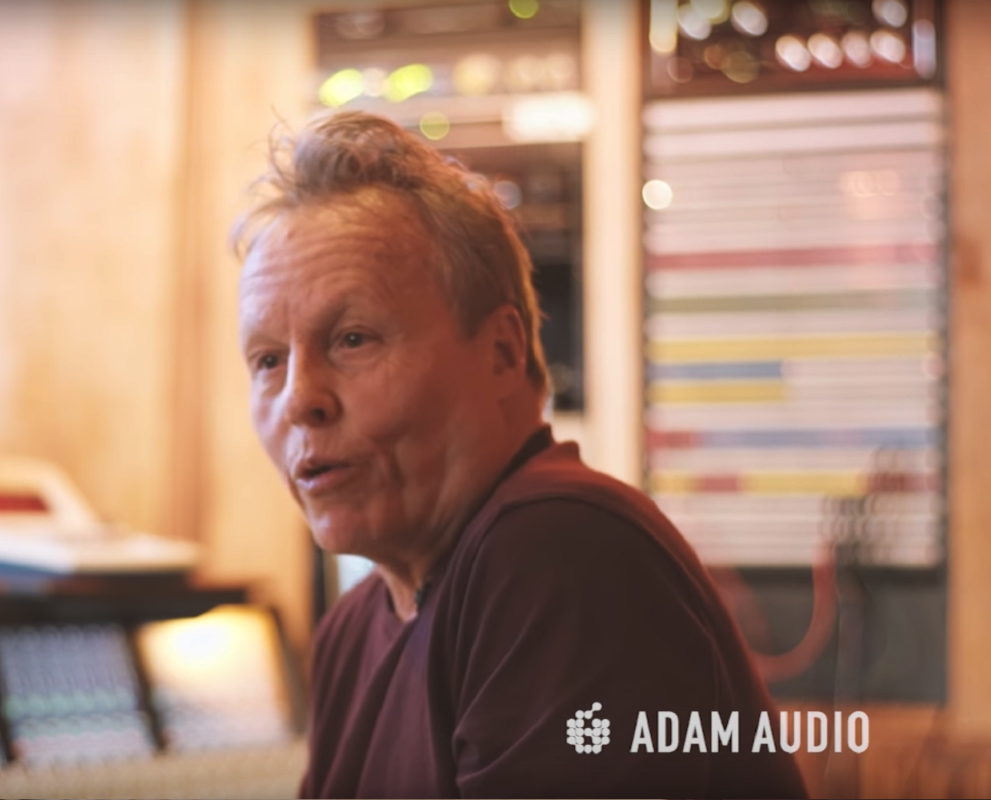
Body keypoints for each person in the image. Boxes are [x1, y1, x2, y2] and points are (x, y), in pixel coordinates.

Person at [234, 111, 808, 799]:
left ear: (502, 351)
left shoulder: (557, 546)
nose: (300, 400)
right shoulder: (351, 633)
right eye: (267, 360)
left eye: (353, 339)